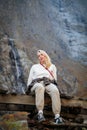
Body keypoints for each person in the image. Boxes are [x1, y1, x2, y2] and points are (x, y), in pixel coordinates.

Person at [26, 50, 62, 124]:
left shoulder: (52, 66)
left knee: (55, 90)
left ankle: (57, 116)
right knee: (40, 87)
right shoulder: (34, 67)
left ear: (45, 55)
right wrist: (29, 88)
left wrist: (50, 77)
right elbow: (30, 79)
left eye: (41, 55)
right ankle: (40, 113)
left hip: (47, 83)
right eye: (38, 56)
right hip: (36, 83)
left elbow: (54, 80)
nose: (40, 57)